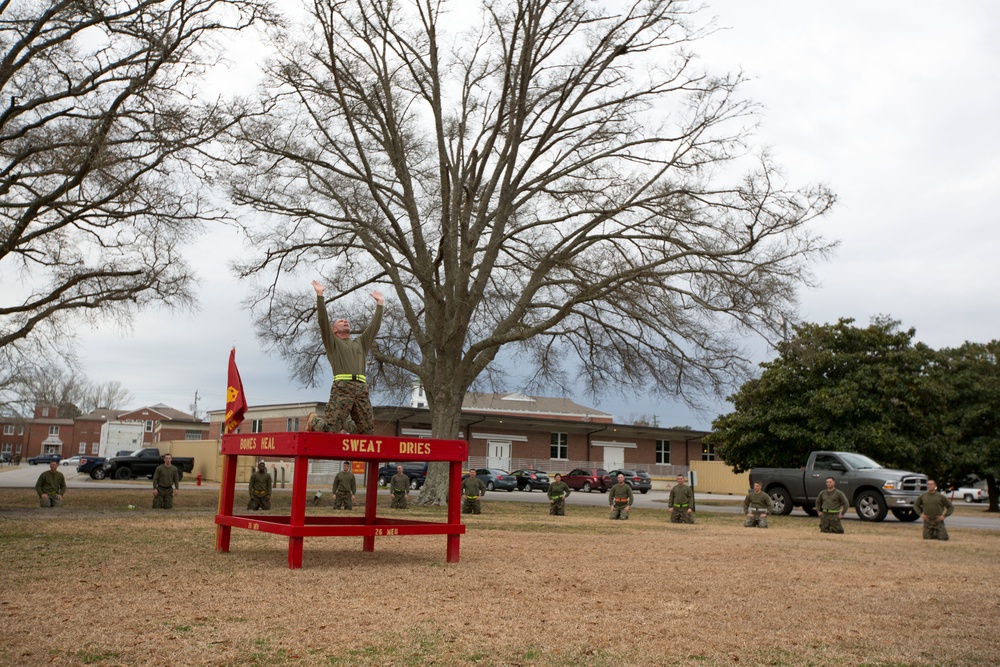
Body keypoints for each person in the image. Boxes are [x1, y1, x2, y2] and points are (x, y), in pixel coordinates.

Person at [305, 280, 384, 435]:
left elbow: (374, 328)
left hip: (361, 389)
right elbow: (322, 322)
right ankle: (313, 420)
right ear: (334, 330)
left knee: (366, 432)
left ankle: (345, 423)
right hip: (342, 387)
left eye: (346, 321)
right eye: (341, 321)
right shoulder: (333, 343)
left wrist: (380, 305)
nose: (345, 321)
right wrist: (320, 295)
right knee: (331, 430)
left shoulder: (360, 342)